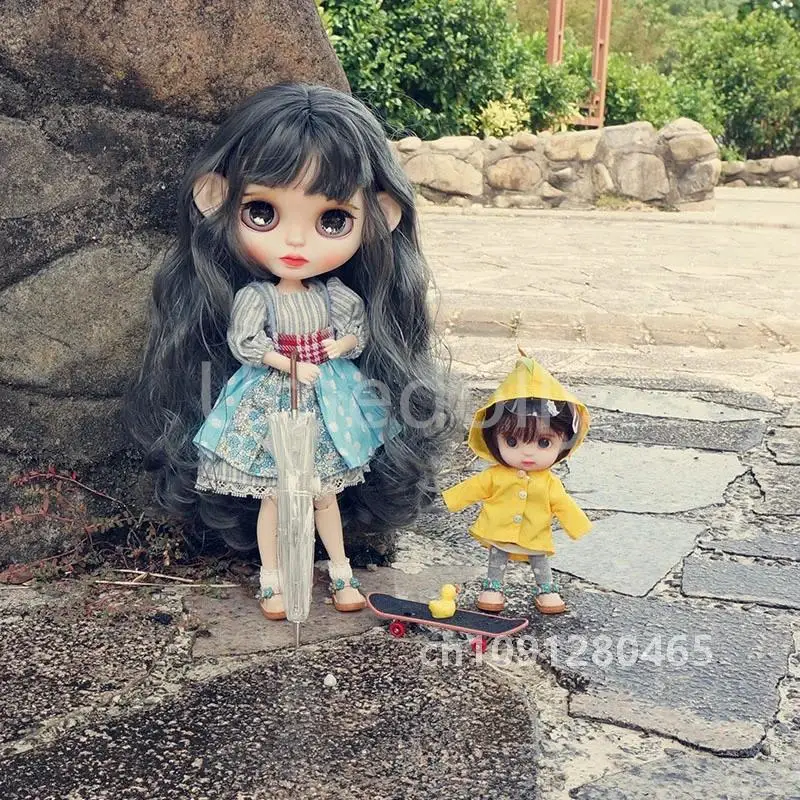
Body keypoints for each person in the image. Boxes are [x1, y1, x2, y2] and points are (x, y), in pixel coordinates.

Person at [127, 83, 454, 620]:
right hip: (270, 396)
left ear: (382, 215)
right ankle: (272, 577)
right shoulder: (256, 299)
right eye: (262, 212)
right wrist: (288, 363)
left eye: (332, 220)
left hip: (328, 396)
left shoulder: (338, 296)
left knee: (324, 492)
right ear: (215, 199)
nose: (297, 243)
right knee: (275, 495)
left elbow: (356, 333)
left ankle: (340, 569)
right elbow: (246, 344)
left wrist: (336, 347)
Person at [442, 355, 591, 614]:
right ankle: (493, 588)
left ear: (564, 443)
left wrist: (577, 525)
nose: (527, 453)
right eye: (512, 441)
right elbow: (473, 488)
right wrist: (448, 500)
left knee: (539, 561)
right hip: (499, 529)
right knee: (497, 557)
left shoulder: (549, 483)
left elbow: (563, 504)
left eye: (544, 442)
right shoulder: (495, 476)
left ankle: (546, 589)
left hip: (534, 533)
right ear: (493, 439)